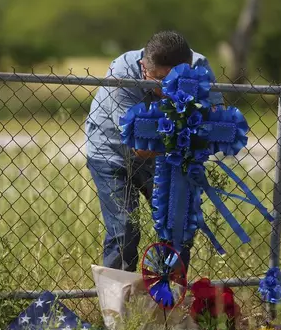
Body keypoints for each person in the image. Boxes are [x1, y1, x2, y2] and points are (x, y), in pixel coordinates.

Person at [85, 30, 225, 272]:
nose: (165, 88)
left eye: (174, 79)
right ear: (143, 66)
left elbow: (217, 122)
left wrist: (193, 133)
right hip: (111, 153)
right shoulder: (123, 72)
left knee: (177, 229)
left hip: (167, 157)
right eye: (156, 79)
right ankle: (119, 306)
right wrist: (189, 134)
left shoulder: (200, 66)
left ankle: (164, 299)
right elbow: (141, 147)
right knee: (124, 234)